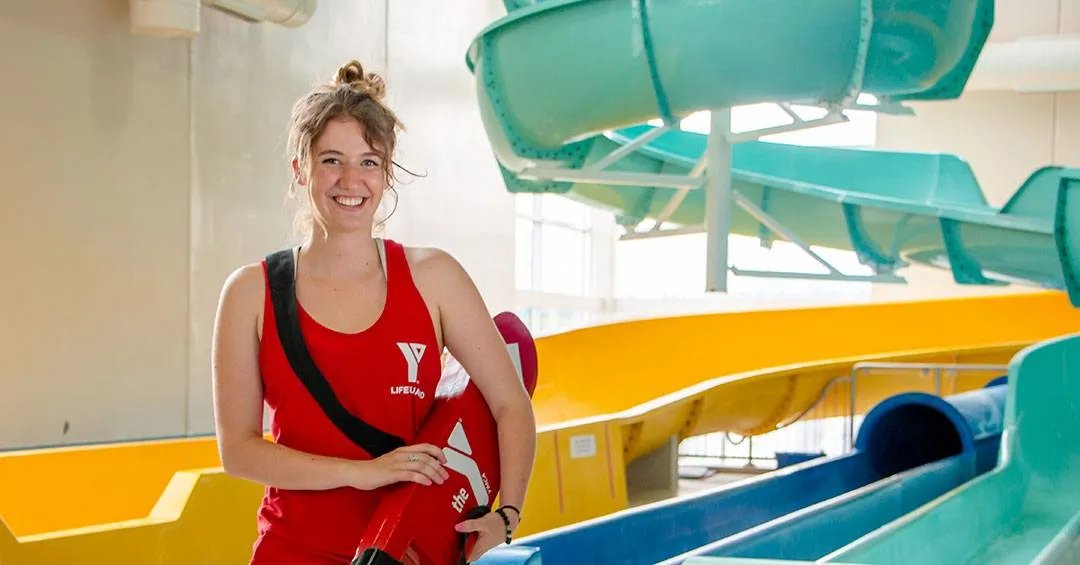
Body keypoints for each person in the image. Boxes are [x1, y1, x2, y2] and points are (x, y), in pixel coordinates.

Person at [211, 59, 537, 565]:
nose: (351, 180)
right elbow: (239, 451)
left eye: (369, 162)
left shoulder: (434, 278)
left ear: (386, 174)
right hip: (291, 549)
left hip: (407, 549)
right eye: (331, 160)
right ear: (301, 169)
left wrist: (507, 515)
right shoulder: (250, 293)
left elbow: (511, 405)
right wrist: (362, 472)